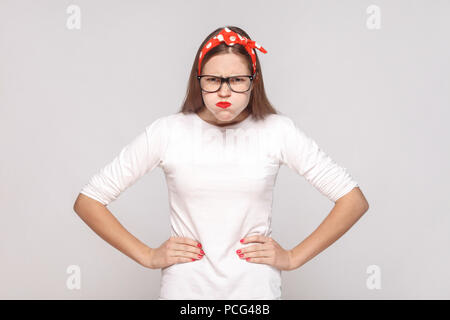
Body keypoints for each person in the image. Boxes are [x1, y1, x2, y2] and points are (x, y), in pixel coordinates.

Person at [73, 26, 369, 300]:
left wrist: (292, 257)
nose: (225, 92)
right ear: (198, 81)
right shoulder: (168, 132)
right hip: (185, 292)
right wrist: (148, 255)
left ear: (254, 82)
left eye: (237, 80)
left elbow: (353, 200)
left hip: (255, 293)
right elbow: (89, 201)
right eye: (213, 80)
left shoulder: (278, 131)